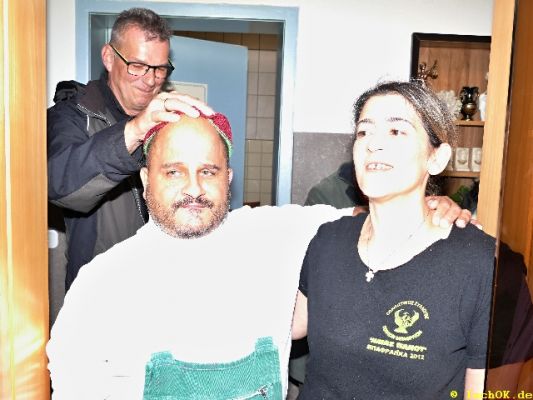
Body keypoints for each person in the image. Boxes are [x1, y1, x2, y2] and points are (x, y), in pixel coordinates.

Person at [47, 107, 473, 399]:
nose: (194, 188)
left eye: (208, 171)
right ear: (145, 180)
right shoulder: (103, 282)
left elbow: (377, 216)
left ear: (228, 178)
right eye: (173, 172)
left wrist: (431, 206)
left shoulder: (276, 235)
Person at [293, 81, 495, 399]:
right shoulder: (328, 240)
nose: (373, 144)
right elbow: (288, 324)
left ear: (437, 158)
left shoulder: (479, 262)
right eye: (364, 132)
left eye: (396, 131)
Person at [47, 7, 210, 291]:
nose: (150, 79)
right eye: (137, 65)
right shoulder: (73, 115)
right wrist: (135, 130)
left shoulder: (169, 118)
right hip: (101, 291)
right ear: (109, 57)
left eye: (160, 68)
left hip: (165, 285)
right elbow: (59, 186)